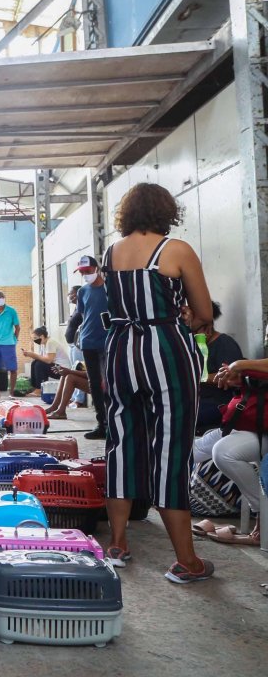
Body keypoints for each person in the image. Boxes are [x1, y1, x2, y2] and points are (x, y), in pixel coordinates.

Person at [101, 182, 214, 584]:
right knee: (170, 446)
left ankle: (116, 544)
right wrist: (188, 317)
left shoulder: (110, 254)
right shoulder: (176, 249)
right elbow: (203, 312)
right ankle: (186, 560)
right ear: (166, 211)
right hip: (165, 350)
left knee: (122, 440)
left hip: (119, 351)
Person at [204, 357, 267, 547]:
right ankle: (263, 513)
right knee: (222, 451)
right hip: (261, 428)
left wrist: (239, 366)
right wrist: (242, 377)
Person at [181, 300, 244, 432]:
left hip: (218, 402)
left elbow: (230, 378)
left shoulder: (224, 343)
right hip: (197, 399)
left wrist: (196, 378)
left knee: (181, 417)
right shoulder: (192, 345)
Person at [68, 255, 109, 440]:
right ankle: (102, 424)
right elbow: (83, 314)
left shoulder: (111, 289)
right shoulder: (83, 291)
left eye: (88, 271)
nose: (85, 275)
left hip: (108, 343)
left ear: (97, 269)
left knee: (109, 384)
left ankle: (114, 424)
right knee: (95, 385)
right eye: (82, 272)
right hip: (88, 343)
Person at [22, 325, 71, 390]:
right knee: (35, 362)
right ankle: (35, 387)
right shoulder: (43, 344)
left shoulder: (50, 342)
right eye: (33, 339)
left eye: (35, 338)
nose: (34, 341)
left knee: (39, 365)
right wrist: (30, 354)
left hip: (63, 370)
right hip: (56, 367)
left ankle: (40, 389)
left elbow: (48, 360)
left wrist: (33, 355)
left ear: (42, 336)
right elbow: (42, 358)